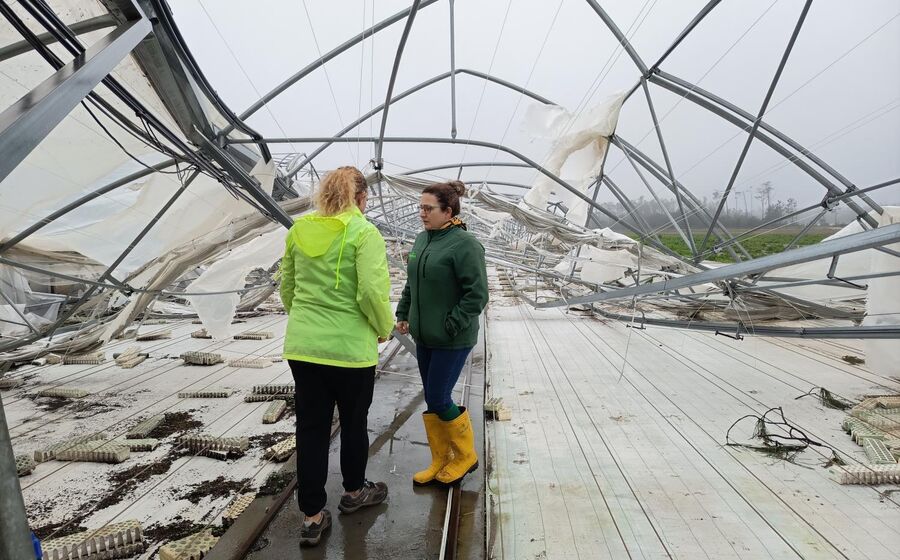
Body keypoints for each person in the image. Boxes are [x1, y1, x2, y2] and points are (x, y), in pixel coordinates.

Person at [280, 166, 394, 547]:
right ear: (361, 198)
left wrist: (306, 322)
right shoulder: (363, 232)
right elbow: (371, 293)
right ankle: (354, 492)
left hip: (305, 349)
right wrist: (383, 327)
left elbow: (288, 288)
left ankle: (312, 516)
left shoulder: (299, 230)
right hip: (349, 351)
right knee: (353, 421)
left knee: (311, 429)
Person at [395, 180, 489, 487]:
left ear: (448, 211)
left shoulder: (465, 245)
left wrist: (451, 323)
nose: (422, 213)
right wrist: (403, 312)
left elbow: (477, 295)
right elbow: (412, 283)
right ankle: (441, 458)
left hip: (452, 338)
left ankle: (465, 456)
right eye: (420, 207)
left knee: (438, 396)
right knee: (433, 400)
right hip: (426, 336)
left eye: (428, 208)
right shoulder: (424, 240)